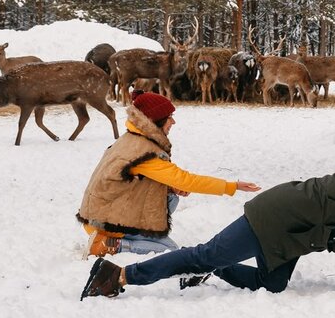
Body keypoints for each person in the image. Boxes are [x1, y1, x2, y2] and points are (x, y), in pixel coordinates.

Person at [81, 133, 335, 300]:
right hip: (274, 218)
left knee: (272, 284)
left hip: (293, 233)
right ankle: (119, 275)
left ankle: (209, 267)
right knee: (206, 253)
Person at [77, 89, 262, 256]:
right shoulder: (144, 152)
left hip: (99, 212)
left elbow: (131, 182)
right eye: (169, 116)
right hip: (104, 222)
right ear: (156, 119)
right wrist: (232, 186)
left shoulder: (131, 138)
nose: (173, 121)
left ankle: (137, 235)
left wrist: (169, 188)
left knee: (172, 198)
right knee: (169, 250)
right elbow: (186, 180)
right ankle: (110, 244)